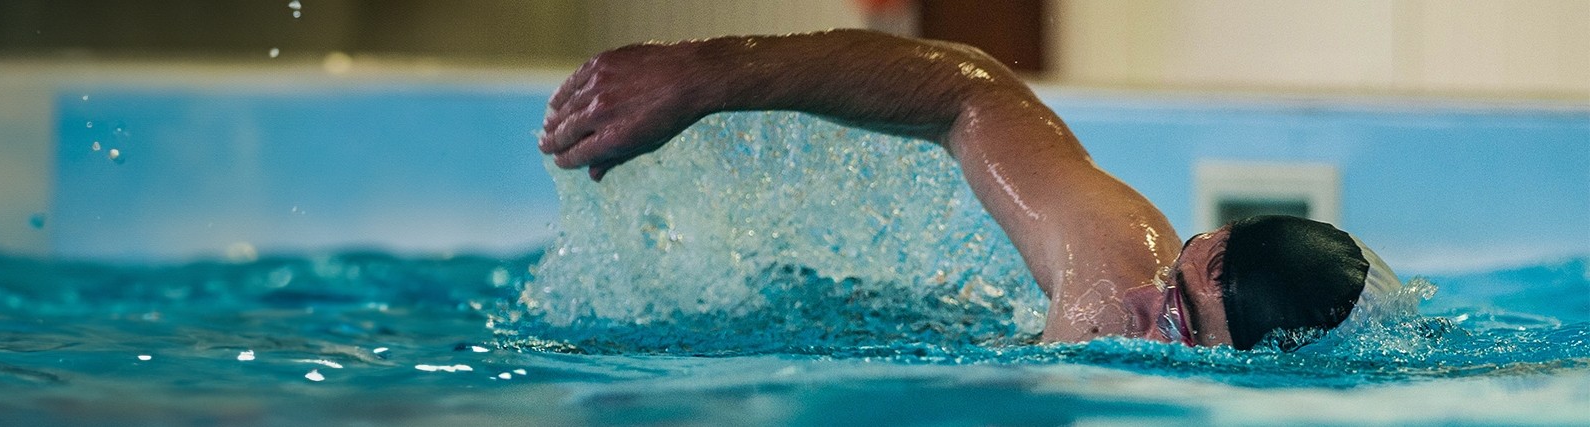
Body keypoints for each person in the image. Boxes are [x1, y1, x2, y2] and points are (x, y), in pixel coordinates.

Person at [537, 29, 1400, 351]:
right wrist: (708, 75)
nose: (1138, 303)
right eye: (1172, 278)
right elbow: (973, 93)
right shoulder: (1116, 270)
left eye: (1179, 322)